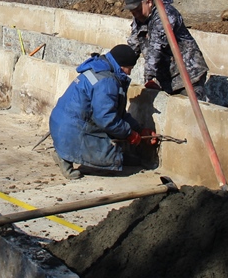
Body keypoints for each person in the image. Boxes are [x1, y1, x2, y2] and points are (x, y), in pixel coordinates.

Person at [48, 44, 156, 180]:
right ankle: (64, 156)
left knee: (116, 149)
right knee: (110, 159)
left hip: (60, 122)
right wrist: (130, 134)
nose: (129, 73)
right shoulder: (107, 81)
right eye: (130, 68)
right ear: (121, 65)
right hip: (70, 129)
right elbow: (106, 118)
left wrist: (138, 129)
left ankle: (66, 150)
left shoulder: (99, 66)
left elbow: (117, 113)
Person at [124, 0, 209, 100]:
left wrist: (149, 77)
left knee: (187, 110)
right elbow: (133, 45)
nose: (137, 15)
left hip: (188, 72)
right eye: (133, 13)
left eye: (138, 10)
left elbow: (156, 46)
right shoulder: (139, 19)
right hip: (167, 76)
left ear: (148, 2)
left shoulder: (165, 14)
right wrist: (120, 65)